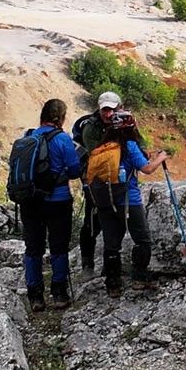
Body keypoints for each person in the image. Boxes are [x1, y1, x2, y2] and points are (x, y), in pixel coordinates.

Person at [75, 93, 165, 294]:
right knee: (142, 239)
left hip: (104, 199)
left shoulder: (103, 145)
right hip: (128, 199)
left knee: (111, 243)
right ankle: (139, 277)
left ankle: (113, 285)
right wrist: (161, 157)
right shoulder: (128, 145)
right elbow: (147, 169)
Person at [10, 99, 81, 311]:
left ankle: (35, 297)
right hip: (57, 200)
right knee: (58, 247)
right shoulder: (63, 139)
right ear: (61, 118)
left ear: (42, 116)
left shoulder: (28, 137)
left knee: (33, 248)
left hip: (30, 201)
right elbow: (75, 171)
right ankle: (59, 294)